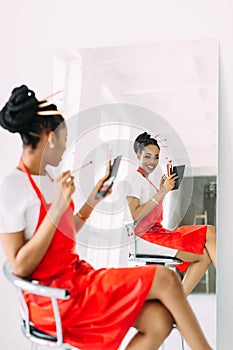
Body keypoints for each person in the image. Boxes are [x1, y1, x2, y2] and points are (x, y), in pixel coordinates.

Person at [0, 85, 213, 350]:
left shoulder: (50, 178)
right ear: (50, 137)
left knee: (158, 321)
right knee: (166, 278)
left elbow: (64, 234)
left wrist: (93, 199)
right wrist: (57, 210)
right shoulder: (12, 184)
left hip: (77, 278)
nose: (66, 147)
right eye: (64, 138)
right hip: (55, 298)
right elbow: (19, 266)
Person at [125, 132, 216, 296]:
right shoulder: (134, 178)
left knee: (205, 253)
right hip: (147, 236)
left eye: (156, 157)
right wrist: (163, 191)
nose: (152, 162)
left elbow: (152, 209)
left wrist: (163, 191)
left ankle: (176, 304)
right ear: (138, 155)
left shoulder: (147, 180)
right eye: (147, 156)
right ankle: (228, 284)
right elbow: (136, 215)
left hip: (157, 233)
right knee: (209, 233)